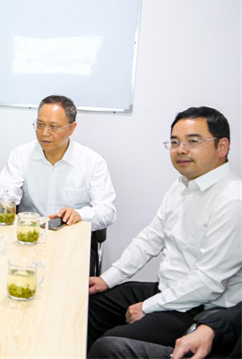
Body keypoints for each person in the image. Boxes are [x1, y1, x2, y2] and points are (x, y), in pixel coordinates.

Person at [87, 106, 242, 350]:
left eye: (193, 141)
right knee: (88, 305)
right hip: (166, 290)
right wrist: (108, 279)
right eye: (175, 142)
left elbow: (208, 282)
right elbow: (150, 239)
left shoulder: (232, 201)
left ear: (221, 146)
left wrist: (148, 307)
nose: (181, 149)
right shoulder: (182, 185)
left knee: (109, 344)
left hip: (199, 308)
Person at [0, 95, 116, 273]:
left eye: (53, 127)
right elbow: (7, 190)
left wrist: (80, 214)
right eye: (40, 124)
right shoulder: (21, 155)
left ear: (72, 128)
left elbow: (107, 211)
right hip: (28, 238)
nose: (44, 133)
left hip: (71, 243)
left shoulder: (92, 162)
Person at [88, 303, 241, 359]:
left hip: (190, 304)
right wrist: (211, 327)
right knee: (108, 348)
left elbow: (208, 281)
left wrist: (148, 306)